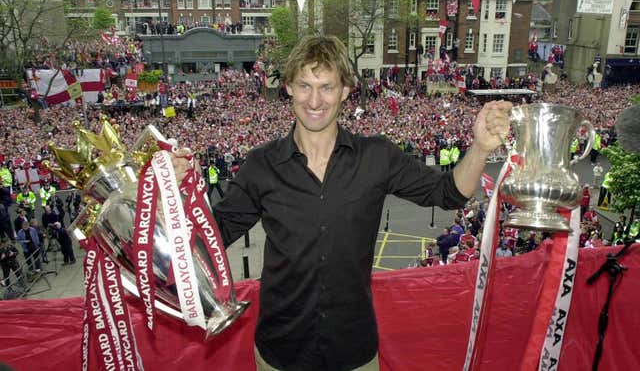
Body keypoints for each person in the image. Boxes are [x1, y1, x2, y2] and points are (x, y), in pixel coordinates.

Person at [171, 35, 512, 370]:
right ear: (288, 87)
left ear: (346, 91)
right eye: (304, 85)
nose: (314, 100)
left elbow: (448, 192)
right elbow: (207, 240)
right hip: (281, 352)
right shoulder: (261, 165)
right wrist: (173, 198)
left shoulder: (377, 156)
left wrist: (480, 147)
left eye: (327, 87)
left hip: (353, 351)